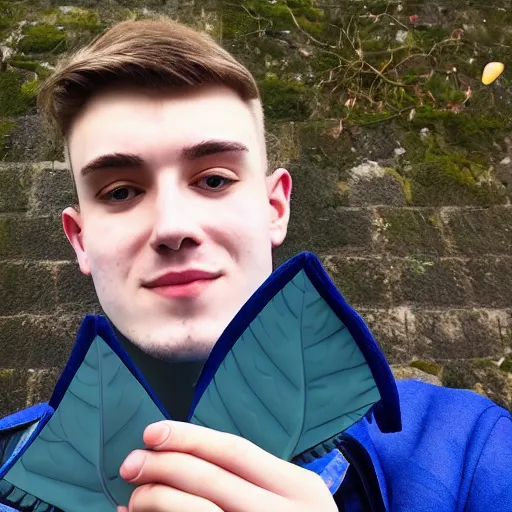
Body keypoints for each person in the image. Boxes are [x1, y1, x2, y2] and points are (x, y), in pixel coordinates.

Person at [2, 16, 512, 512]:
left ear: (275, 208)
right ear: (80, 239)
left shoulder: (469, 448)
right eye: (120, 191)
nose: (172, 227)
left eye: (215, 180)